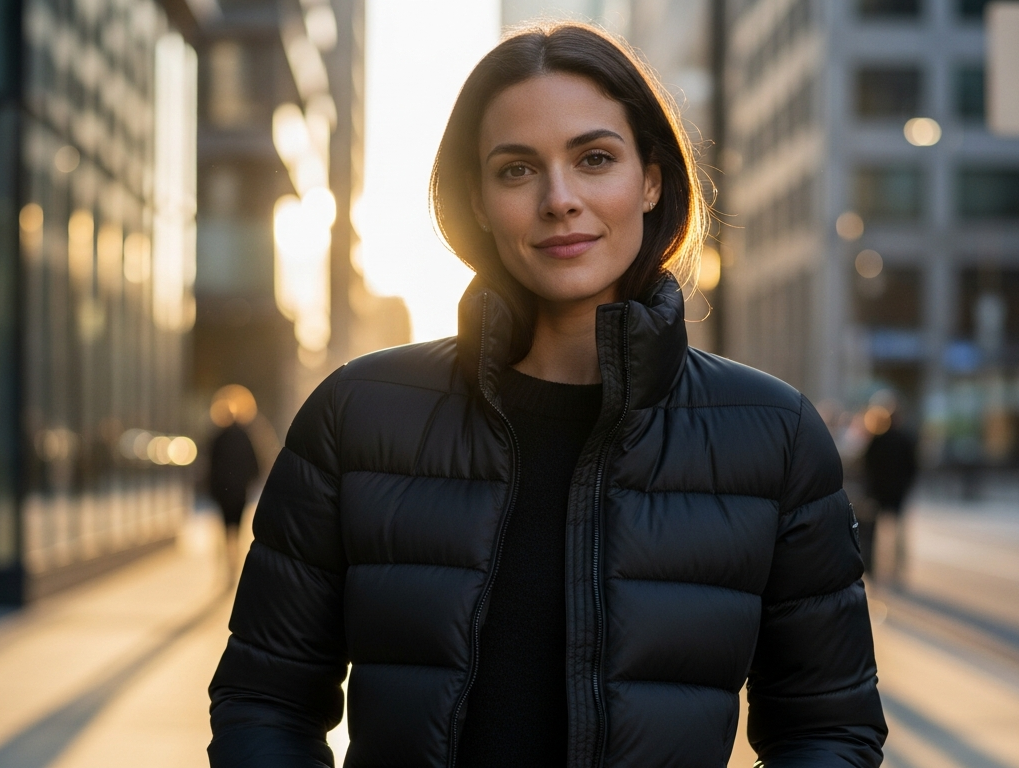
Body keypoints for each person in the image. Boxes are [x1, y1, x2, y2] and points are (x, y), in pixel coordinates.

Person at [208, 23, 886, 768]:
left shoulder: (774, 436)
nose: (560, 200)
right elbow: (265, 701)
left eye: (595, 159)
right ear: (476, 196)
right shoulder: (356, 416)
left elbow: (828, 729)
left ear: (651, 180)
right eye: (517, 169)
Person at [860, 393, 918, 584]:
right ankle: (896, 570)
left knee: (875, 533)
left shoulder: (878, 439)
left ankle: (875, 568)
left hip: (879, 492)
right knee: (897, 533)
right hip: (897, 492)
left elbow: (866, 466)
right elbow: (913, 467)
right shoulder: (904, 439)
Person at [207, 385, 260, 577]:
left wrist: (212, 487)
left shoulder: (216, 437)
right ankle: (234, 558)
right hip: (239, 491)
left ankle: (228, 560)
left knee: (224, 525)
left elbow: (210, 466)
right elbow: (255, 464)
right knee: (237, 526)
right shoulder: (246, 436)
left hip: (223, 491)